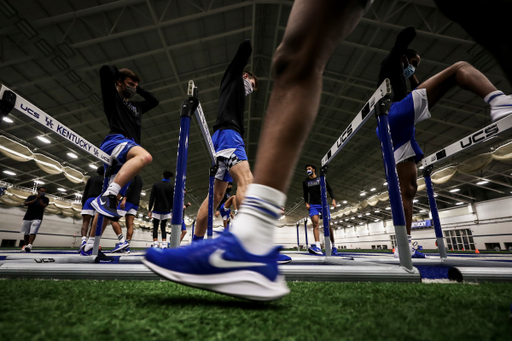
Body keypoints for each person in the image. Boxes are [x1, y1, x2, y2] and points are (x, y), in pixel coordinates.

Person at [145, 0, 512, 301]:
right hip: (378, 134)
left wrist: (408, 54)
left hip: (389, 129)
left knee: (297, 60)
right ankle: (248, 243)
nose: (252, 87)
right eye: (251, 83)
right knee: (295, 58)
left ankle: (247, 243)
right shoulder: (235, 94)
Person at [377, 26, 512, 259]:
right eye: (413, 62)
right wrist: (410, 33)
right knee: (460, 68)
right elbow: (400, 45)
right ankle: (499, 101)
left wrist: (412, 73)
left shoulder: (401, 76)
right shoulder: (390, 65)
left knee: (407, 189)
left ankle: (403, 243)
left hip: (393, 129)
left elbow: (416, 87)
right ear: (402, 58)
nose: (414, 66)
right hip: (395, 114)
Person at [190, 40, 258, 243]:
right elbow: (245, 46)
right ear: (245, 76)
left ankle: (196, 244)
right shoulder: (234, 79)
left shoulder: (235, 94)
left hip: (220, 138)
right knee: (247, 181)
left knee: (216, 197)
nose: (250, 90)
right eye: (251, 86)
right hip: (229, 135)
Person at [91, 64, 159, 221]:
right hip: (116, 141)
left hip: (129, 150)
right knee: (145, 157)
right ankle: (109, 194)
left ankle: (88, 244)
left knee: (108, 209)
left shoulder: (137, 107)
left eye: (136, 86)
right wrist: (118, 77)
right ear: (119, 82)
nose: (134, 88)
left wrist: (137, 87)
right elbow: (106, 70)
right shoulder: (113, 97)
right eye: (130, 84)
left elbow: (154, 101)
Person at [302, 164, 338, 256]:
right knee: (315, 224)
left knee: (328, 226)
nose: (308, 170)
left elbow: (330, 189)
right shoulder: (305, 182)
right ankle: (318, 246)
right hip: (313, 205)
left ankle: (333, 246)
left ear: (313, 169)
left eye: (309, 169)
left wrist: (333, 200)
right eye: (307, 169)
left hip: (323, 204)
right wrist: (306, 202)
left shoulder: (321, 179)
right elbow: (305, 194)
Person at [111, 175, 143, 253]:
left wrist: (124, 199)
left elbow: (130, 187)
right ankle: (126, 247)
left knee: (112, 218)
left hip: (128, 201)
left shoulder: (132, 176)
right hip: (135, 203)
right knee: (130, 224)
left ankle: (122, 242)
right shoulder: (140, 180)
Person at [78, 166, 104, 253]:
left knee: (85, 222)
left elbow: (86, 192)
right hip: (99, 201)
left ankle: (83, 241)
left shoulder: (91, 179)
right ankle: (90, 242)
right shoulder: (106, 180)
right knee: (94, 224)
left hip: (89, 200)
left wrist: (83, 203)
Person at [148, 170, 174, 248]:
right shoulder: (171, 186)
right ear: (170, 177)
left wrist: (149, 210)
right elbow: (172, 200)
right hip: (166, 210)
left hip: (156, 209)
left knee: (155, 227)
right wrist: (172, 211)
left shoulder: (156, 185)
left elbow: (152, 198)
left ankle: (155, 244)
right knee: (163, 227)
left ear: (162, 176)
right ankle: (164, 244)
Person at [21, 186, 49, 252]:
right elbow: (25, 203)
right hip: (28, 217)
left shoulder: (46, 199)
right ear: (38, 191)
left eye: (44, 192)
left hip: (38, 217)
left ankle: (30, 245)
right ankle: (26, 246)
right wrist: (35, 199)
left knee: (33, 231)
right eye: (42, 191)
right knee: (26, 233)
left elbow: (44, 206)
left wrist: (39, 200)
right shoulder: (31, 197)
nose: (43, 193)